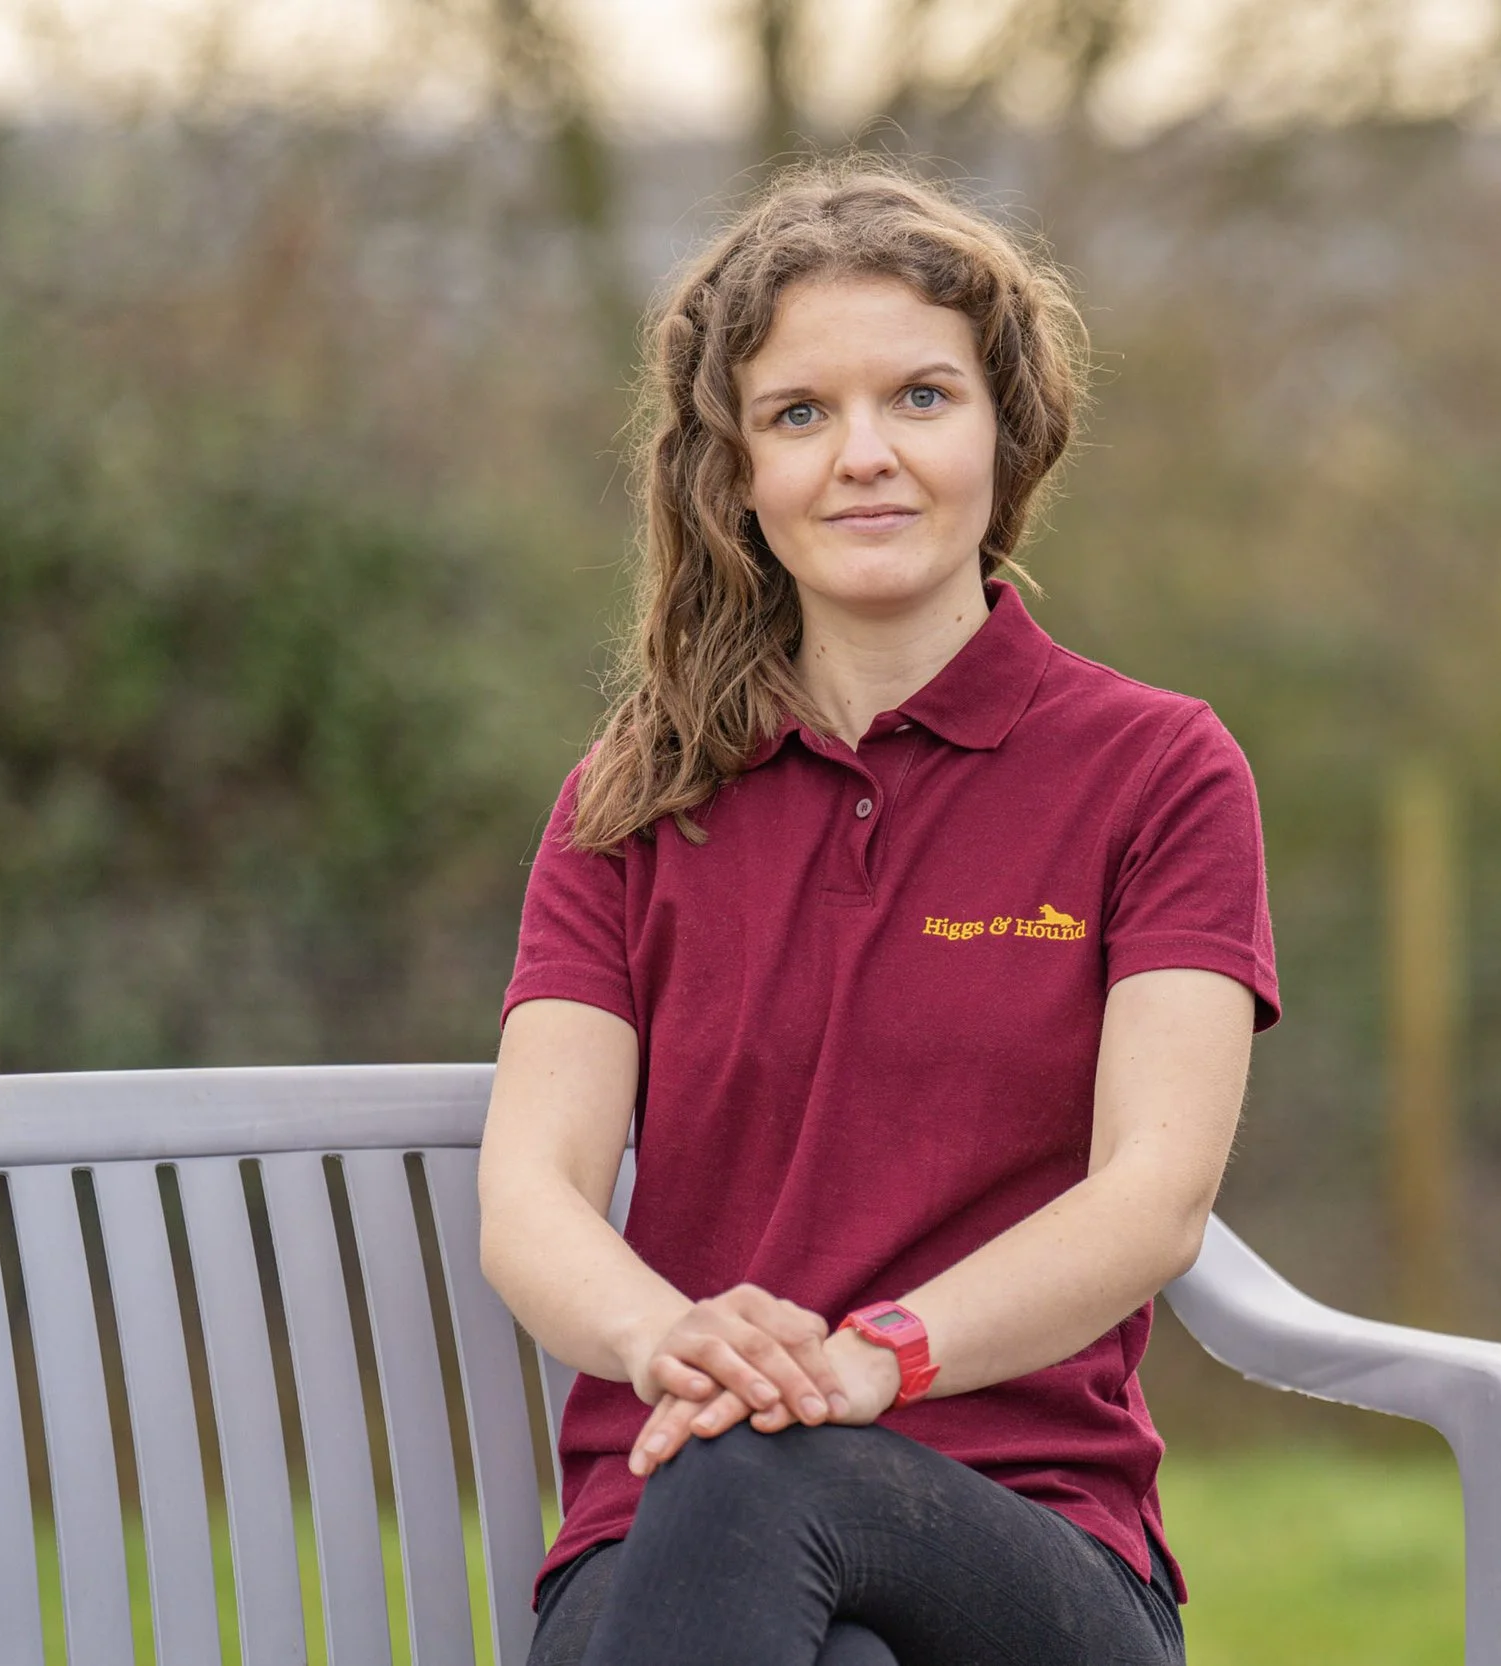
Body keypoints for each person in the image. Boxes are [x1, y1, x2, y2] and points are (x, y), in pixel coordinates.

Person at [478, 161, 1280, 1666]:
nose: (865, 455)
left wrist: (872, 1363)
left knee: (754, 1471)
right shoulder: (629, 801)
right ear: (735, 474)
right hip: (654, 1547)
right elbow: (533, 1194)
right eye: (800, 414)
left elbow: (1152, 1197)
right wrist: (671, 1339)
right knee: (765, 1550)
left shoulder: (1158, 770)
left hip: (1033, 1550)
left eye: (920, 397)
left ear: (1003, 431)